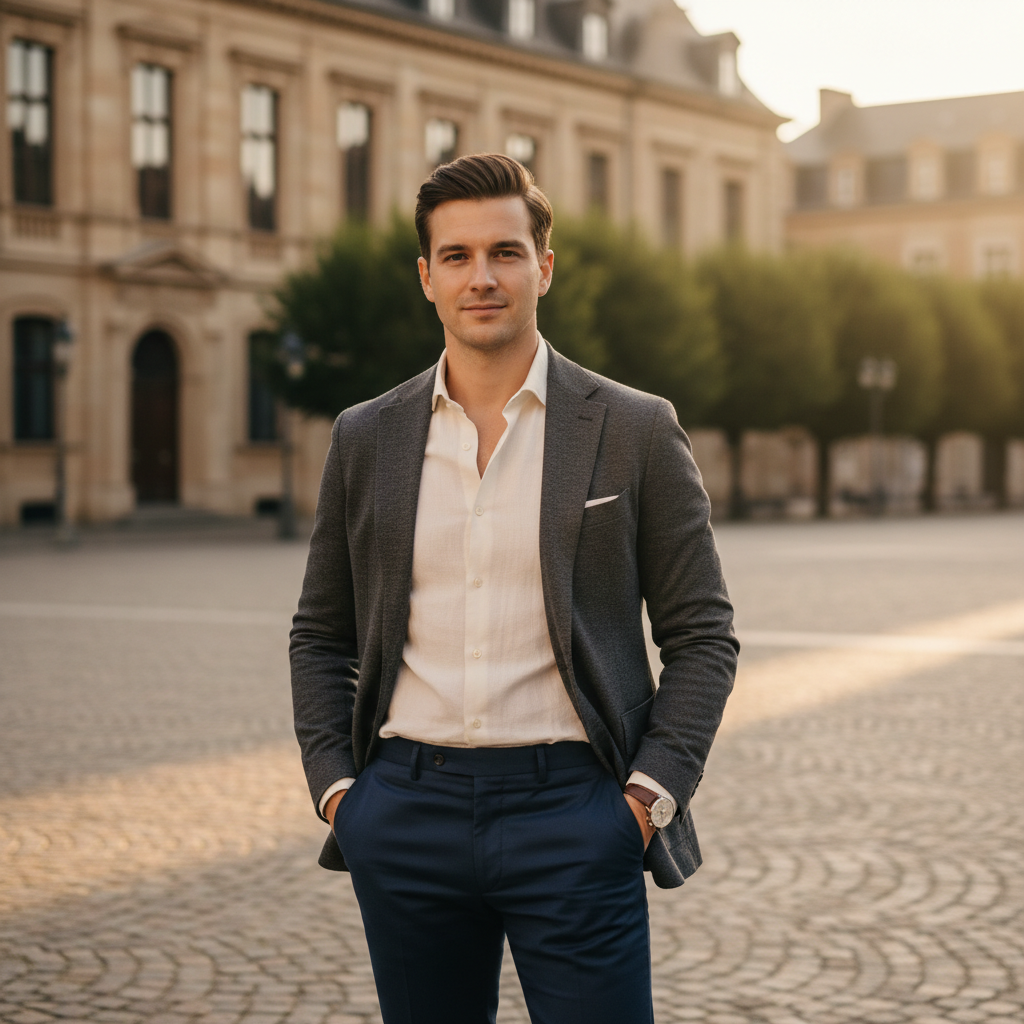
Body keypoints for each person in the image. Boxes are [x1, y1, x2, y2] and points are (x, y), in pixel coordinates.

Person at [289, 153, 738, 1024]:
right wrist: (341, 794)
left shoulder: (635, 429)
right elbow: (320, 633)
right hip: (404, 810)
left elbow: (702, 635)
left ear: (545, 267)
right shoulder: (366, 436)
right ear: (427, 277)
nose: (482, 277)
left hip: (576, 810)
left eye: (505, 252)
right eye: (456, 256)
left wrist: (646, 800)